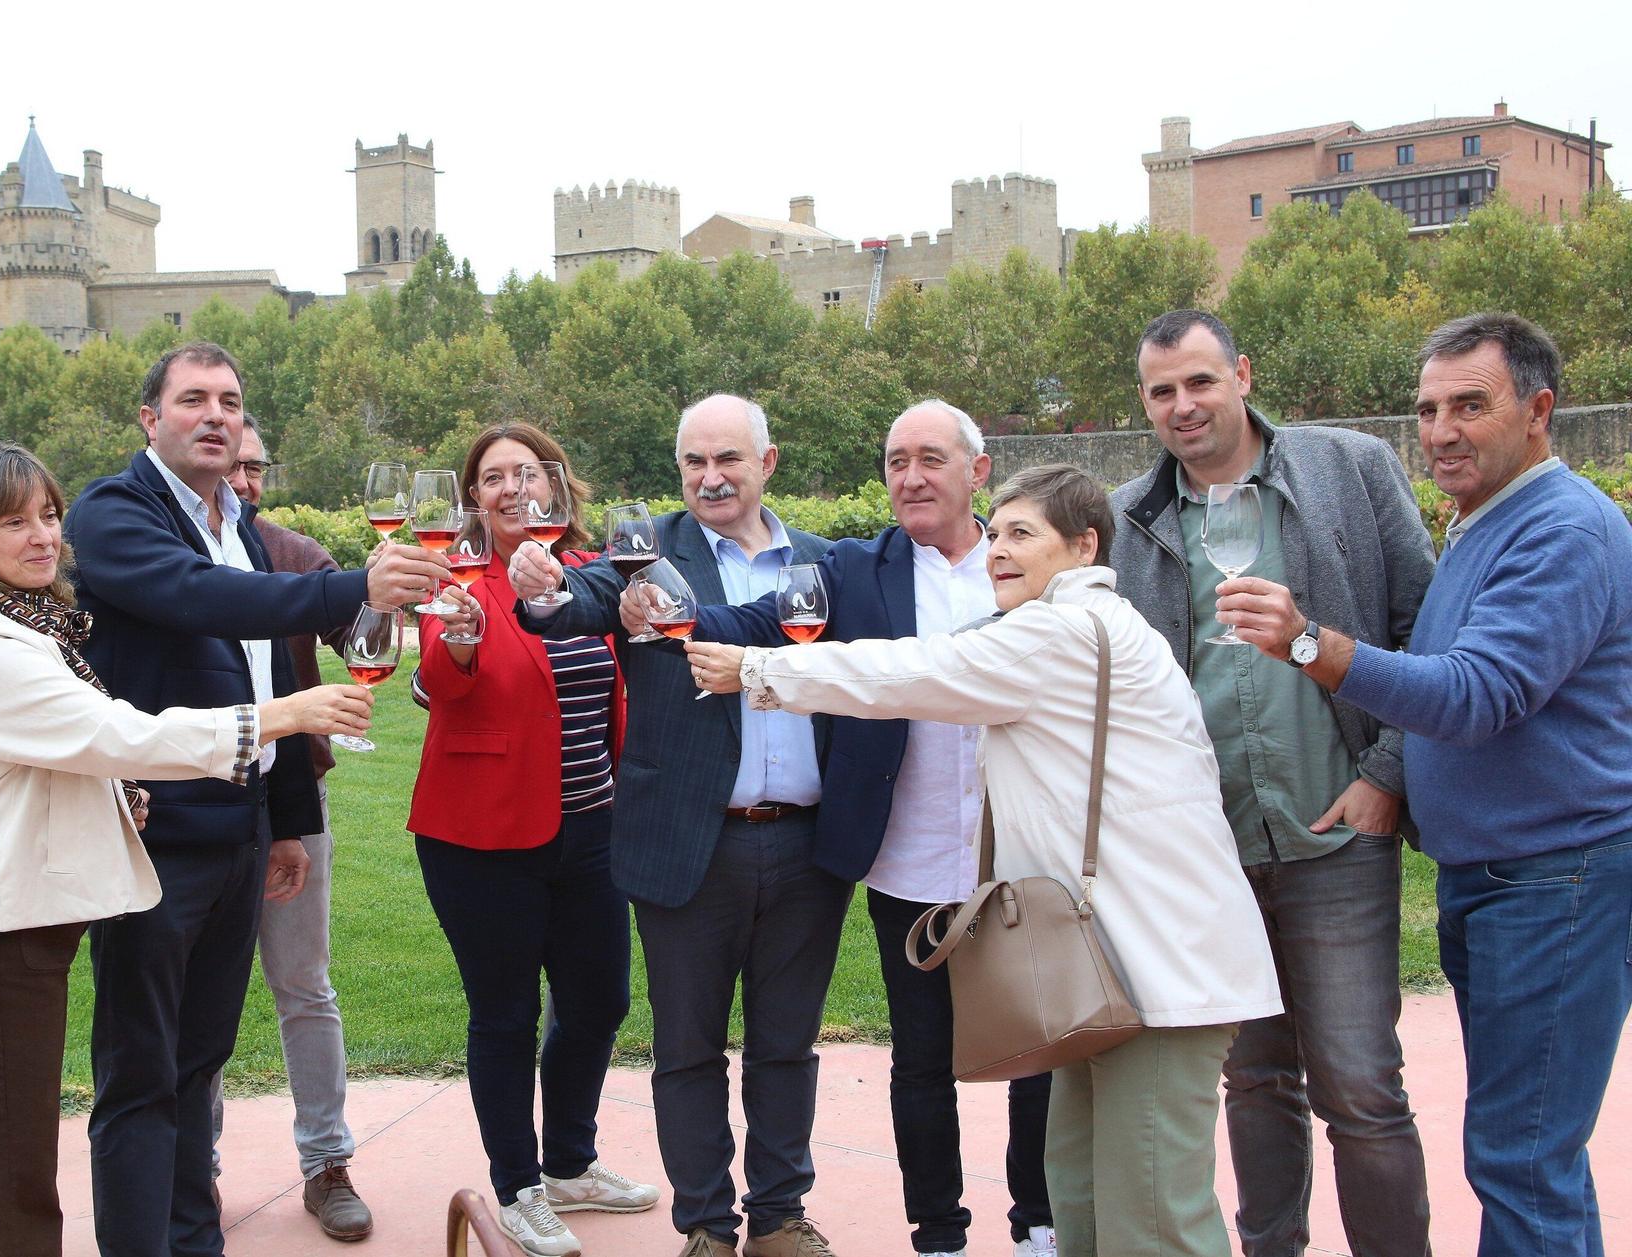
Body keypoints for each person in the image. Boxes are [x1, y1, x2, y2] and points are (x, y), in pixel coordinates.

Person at [687, 463, 1282, 1257]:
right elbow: (933, 652)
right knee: (1083, 1198)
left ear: (1083, 545)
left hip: (1162, 970)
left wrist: (759, 668)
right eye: (995, 532)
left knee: (1155, 1220)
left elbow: (916, 672)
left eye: (1022, 533)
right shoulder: (1050, 627)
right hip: (1111, 966)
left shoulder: (1063, 632)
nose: (997, 549)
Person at [0, 441, 373, 1257]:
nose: (45, 535)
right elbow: (117, 733)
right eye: (14, 521)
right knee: (4, 1178)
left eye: (48, 514)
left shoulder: (28, 624)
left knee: (13, 1157)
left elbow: (65, 757)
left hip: (18, 920)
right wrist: (281, 716)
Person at [1219, 312, 1632, 1257]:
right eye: (1428, 408)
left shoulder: (1562, 528)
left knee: (1523, 1157)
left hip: (1555, 881)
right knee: (1534, 1156)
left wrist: (1308, 643)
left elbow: (1478, 692)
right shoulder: (1484, 521)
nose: (1440, 429)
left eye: (1469, 406)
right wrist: (1388, 779)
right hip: (1501, 877)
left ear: (1538, 411)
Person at [64, 342, 450, 1257]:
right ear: (149, 419)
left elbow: (270, 667)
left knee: (198, 1066)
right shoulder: (113, 512)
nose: (215, 415)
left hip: (238, 837)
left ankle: (194, 1242)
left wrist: (285, 826)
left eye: (229, 401)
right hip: (151, 839)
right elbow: (203, 599)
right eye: (191, 398)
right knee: (139, 1076)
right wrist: (358, 582)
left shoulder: (240, 523)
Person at [682, 398, 1054, 1257]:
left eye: (931, 458)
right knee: (922, 1061)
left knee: (1040, 1050)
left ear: (978, 471)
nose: (911, 477)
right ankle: (939, 1234)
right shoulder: (858, 570)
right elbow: (764, 621)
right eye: (895, 461)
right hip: (908, 855)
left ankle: (1038, 1222)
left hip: (1021, 853)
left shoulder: (1029, 563)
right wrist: (669, 613)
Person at [1111, 309, 1435, 1255]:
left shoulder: (1349, 468)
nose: (1183, 405)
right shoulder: (1134, 514)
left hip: (1337, 835)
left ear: (1242, 373)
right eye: (1162, 390)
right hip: (1210, 852)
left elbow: (1428, 631)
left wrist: (1388, 774)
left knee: (1361, 1086)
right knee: (1253, 1081)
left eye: (1200, 381)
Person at [511, 394, 846, 1257]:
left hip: (807, 846)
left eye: (727, 458)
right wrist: (543, 591)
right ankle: (706, 1223)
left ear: (767, 463)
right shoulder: (641, 558)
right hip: (688, 846)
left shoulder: (820, 564)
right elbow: (576, 598)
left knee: (787, 1046)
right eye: (694, 462)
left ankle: (779, 1217)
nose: (710, 477)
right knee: (687, 1050)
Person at [405, 421, 658, 1257]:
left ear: (556, 486)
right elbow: (438, 681)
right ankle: (517, 1186)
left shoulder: (591, 574)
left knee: (599, 1001)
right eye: (493, 478)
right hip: (481, 838)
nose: (513, 488)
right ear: (474, 499)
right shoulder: (461, 579)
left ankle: (570, 1162)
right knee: (507, 1014)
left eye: (528, 473)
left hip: (592, 826)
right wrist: (466, 640)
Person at [207, 416, 372, 1242]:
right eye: (230, 465)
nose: (243, 480)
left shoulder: (295, 554)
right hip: (192, 806)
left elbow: (365, 633)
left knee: (304, 983)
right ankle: (193, 1168)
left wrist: (400, 610)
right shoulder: (169, 557)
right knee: (199, 991)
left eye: (255, 467)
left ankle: (328, 1162)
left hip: (293, 801)